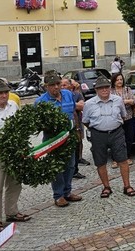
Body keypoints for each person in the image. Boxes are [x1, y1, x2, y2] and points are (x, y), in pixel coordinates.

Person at [82, 76, 135, 198]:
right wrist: (98, 128)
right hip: (98, 134)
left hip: (116, 133)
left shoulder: (118, 100)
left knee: (123, 159)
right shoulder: (89, 104)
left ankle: (127, 186)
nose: (104, 90)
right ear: (96, 89)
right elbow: (85, 121)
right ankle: (106, 187)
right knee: (100, 162)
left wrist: (113, 124)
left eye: (106, 87)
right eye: (101, 88)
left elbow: (123, 115)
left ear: (110, 88)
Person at [0, 78, 31, 233]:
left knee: (14, 184)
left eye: (6, 92)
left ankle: (12, 212)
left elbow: (19, 125)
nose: (4, 95)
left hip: (14, 151)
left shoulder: (13, 106)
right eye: (0, 93)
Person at [35, 72, 82, 207]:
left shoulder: (68, 94)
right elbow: (38, 124)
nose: (56, 87)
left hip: (69, 136)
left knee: (71, 165)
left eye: (58, 84)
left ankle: (67, 192)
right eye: (52, 85)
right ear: (46, 86)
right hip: (53, 139)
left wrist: (77, 129)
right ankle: (58, 195)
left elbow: (74, 112)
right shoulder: (40, 102)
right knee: (56, 168)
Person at [60, 78, 86, 179]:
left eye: (65, 85)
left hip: (77, 124)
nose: (62, 87)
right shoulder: (59, 96)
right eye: (61, 85)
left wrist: (70, 106)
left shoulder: (76, 94)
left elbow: (82, 106)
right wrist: (75, 106)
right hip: (64, 128)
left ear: (71, 86)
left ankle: (75, 170)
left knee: (77, 145)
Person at [110, 73, 135, 167]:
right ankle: (115, 159)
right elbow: (111, 103)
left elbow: (133, 101)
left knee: (129, 138)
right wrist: (125, 101)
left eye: (121, 79)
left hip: (128, 117)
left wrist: (125, 101)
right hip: (116, 119)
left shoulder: (127, 89)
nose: (119, 81)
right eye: (117, 80)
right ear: (114, 81)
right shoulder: (111, 91)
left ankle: (127, 156)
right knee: (116, 140)